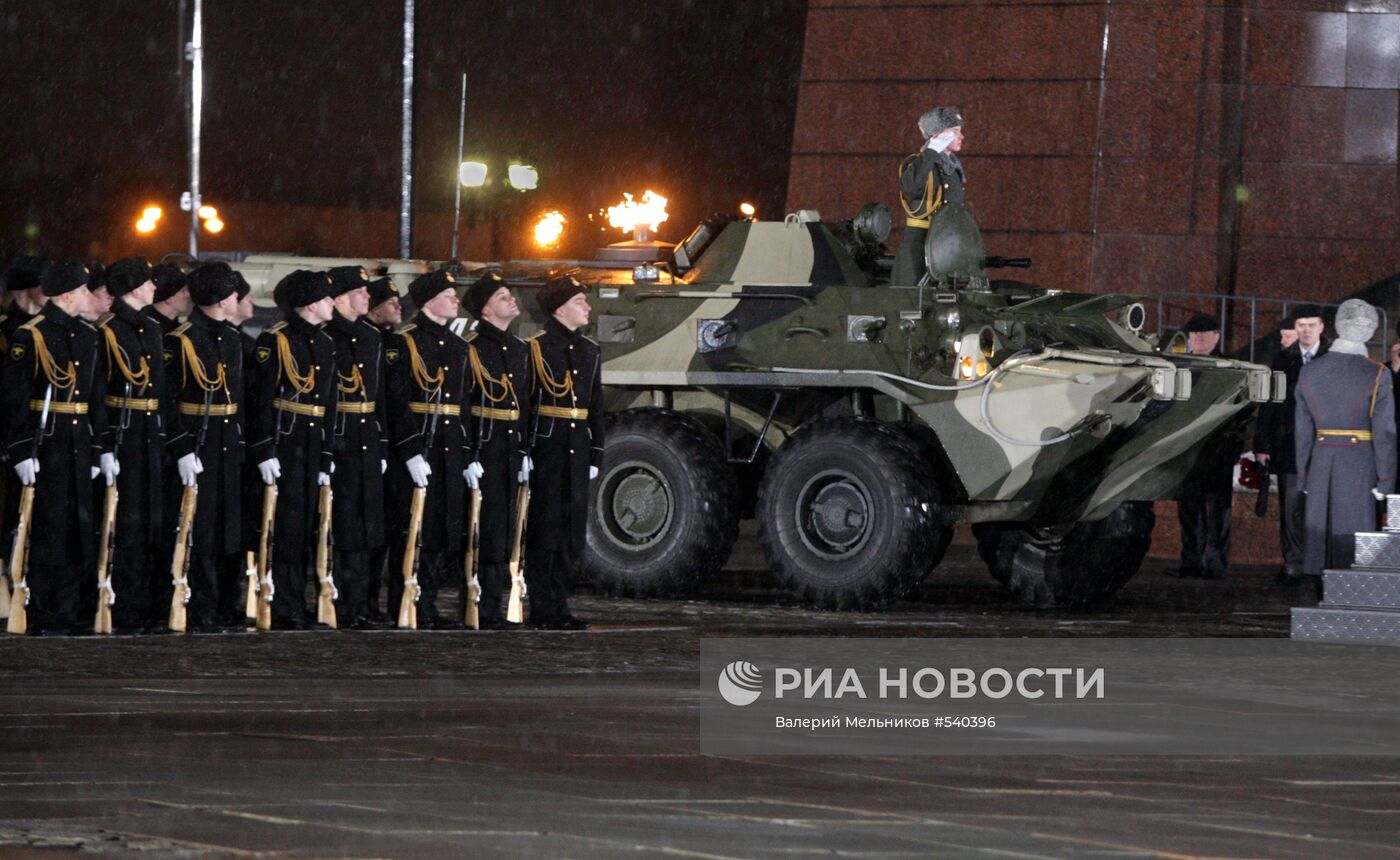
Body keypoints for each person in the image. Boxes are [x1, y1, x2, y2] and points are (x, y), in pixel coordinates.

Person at [1, 262, 109, 634]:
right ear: (66, 295)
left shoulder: (88, 336)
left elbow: (94, 398)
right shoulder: (30, 336)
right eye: (82, 291)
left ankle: (71, 606)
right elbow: (15, 399)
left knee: (79, 527)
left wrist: (97, 448)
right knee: (49, 530)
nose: (89, 297)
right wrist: (20, 449)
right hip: (47, 443)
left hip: (78, 442)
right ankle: (46, 608)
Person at [248, 270, 338, 630]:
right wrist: (264, 448)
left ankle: (296, 602)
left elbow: (328, 403)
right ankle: (283, 605)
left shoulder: (326, 343)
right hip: (286, 442)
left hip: (312, 441)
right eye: (327, 298)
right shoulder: (277, 341)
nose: (333, 303)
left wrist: (327, 454)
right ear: (312, 304)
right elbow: (259, 398)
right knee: (284, 527)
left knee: (305, 528)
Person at [384, 270, 472, 629]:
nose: (455, 300)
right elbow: (396, 401)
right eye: (449, 294)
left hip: (448, 447)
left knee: (438, 529)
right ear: (428, 301)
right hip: (419, 443)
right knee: (410, 528)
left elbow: (463, 404)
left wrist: (466, 454)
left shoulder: (457, 346)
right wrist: (410, 450)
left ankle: (429, 605)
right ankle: (404, 602)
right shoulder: (404, 342)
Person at [163, 262, 245, 633]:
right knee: (202, 529)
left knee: (229, 528)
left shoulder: (231, 338)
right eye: (231, 293)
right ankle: (202, 605)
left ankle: (227, 604)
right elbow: (169, 399)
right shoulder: (181, 340)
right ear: (221, 299)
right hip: (199, 438)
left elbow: (239, 396)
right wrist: (181, 445)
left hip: (228, 441)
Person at [523, 276, 604, 630]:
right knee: (546, 529)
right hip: (548, 447)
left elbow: (595, 406)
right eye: (579, 302)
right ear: (559, 309)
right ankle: (544, 606)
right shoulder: (535, 348)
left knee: (570, 530)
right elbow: (526, 404)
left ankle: (560, 605)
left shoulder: (589, 350)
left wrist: (596, 454)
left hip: (576, 448)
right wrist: (524, 451)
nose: (587, 307)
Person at [1295, 299, 1396, 581]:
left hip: (1321, 459)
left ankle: (1319, 594)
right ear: (1369, 331)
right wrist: (1386, 479)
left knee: (1320, 540)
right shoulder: (1377, 373)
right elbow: (1385, 434)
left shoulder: (1310, 371)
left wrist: (1304, 475)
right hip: (1359, 463)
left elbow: (1303, 431)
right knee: (1353, 541)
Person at [96, 257, 167, 632]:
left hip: (148, 433)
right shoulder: (108, 330)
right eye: (149, 282)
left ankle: (143, 605)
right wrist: (104, 445)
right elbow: (97, 392)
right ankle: (124, 607)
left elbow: (161, 393)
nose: (155, 288)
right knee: (126, 525)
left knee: (150, 523)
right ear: (136, 288)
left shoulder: (151, 328)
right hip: (123, 433)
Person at [462, 272, 532, 630]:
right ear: (486, 309)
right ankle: (478, 605)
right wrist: (468, 453)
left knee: (504, 528)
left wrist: (524, 450)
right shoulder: (471, 348)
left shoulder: (519, 349)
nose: (511, 300)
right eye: (503, 296)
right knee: (483, 528)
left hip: (508, 447)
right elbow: (463, 404)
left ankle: (494, 603)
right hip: (484, 446)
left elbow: (524, 405)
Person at [324, 266, 389, 628]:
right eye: (361, 292)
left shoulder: (370, 336)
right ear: (340, 298)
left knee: (367, 525)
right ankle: (342, 604)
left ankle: (362, 603)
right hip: (340, 437)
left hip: (365, 436)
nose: (368, 298)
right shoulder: (327, 335)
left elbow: (376, 396)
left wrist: (379, 442)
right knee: (344, 524)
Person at [1255, 304, 1328, 585]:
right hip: (1289, 445)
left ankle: (1318, 564)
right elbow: (1269, 405)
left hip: (1324, 446)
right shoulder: (1282, 361)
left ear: (1321, 326)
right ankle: (1294, 563)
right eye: (1301, 325)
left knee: (1319, 508)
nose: (1306, 330)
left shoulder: (1331, 357)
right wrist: (1263, 444)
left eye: (1311, 324)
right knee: (1291, 508)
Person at [1170, 314, 1236, 579]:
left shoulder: (1229, 367)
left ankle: (1216, 561)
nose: (1198, 339)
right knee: (1189, 508)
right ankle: (1192, 561)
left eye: (1204, 334)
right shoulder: (1180, 366)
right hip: (1188, 449)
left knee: (1219, 510)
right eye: (1194, 335)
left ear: (1217, 336)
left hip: (1218, 448)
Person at [891, 106, 965, 286]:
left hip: (945, 247)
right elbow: (910, 188)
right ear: (937, 135)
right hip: (920, 247)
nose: (961, 136)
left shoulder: (952, 168)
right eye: (955, 131)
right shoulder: (921, 164)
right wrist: (930, 153)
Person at [363, 276, 401, 622]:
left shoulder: (392, 343)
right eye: (391, 302)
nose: (398, 307)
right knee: (366, 531)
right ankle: (362, 601)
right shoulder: (368, 342)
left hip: (387, 447)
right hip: (366, 443)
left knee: (384, 532)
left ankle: (373, 601)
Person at [146, 264, 192, 334]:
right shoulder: (151, 331)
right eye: (183, 291)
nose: (188, 294)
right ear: (168, 299)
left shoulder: (171, 327)